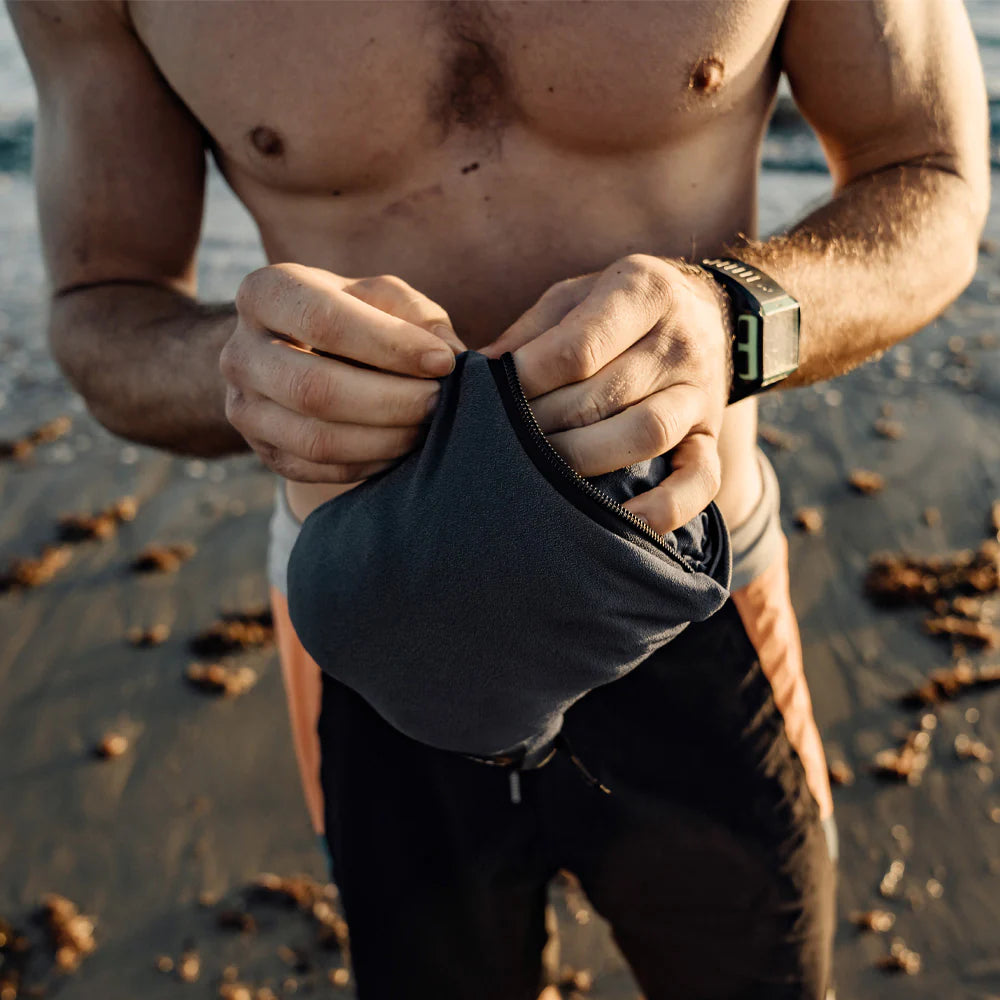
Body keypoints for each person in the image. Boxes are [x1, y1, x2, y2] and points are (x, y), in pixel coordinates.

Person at [9, 1, 989, 997]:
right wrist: (237, 369)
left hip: (689, 592)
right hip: (379, 622)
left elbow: (933, 178)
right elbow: (101, 303)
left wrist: (733, 315)